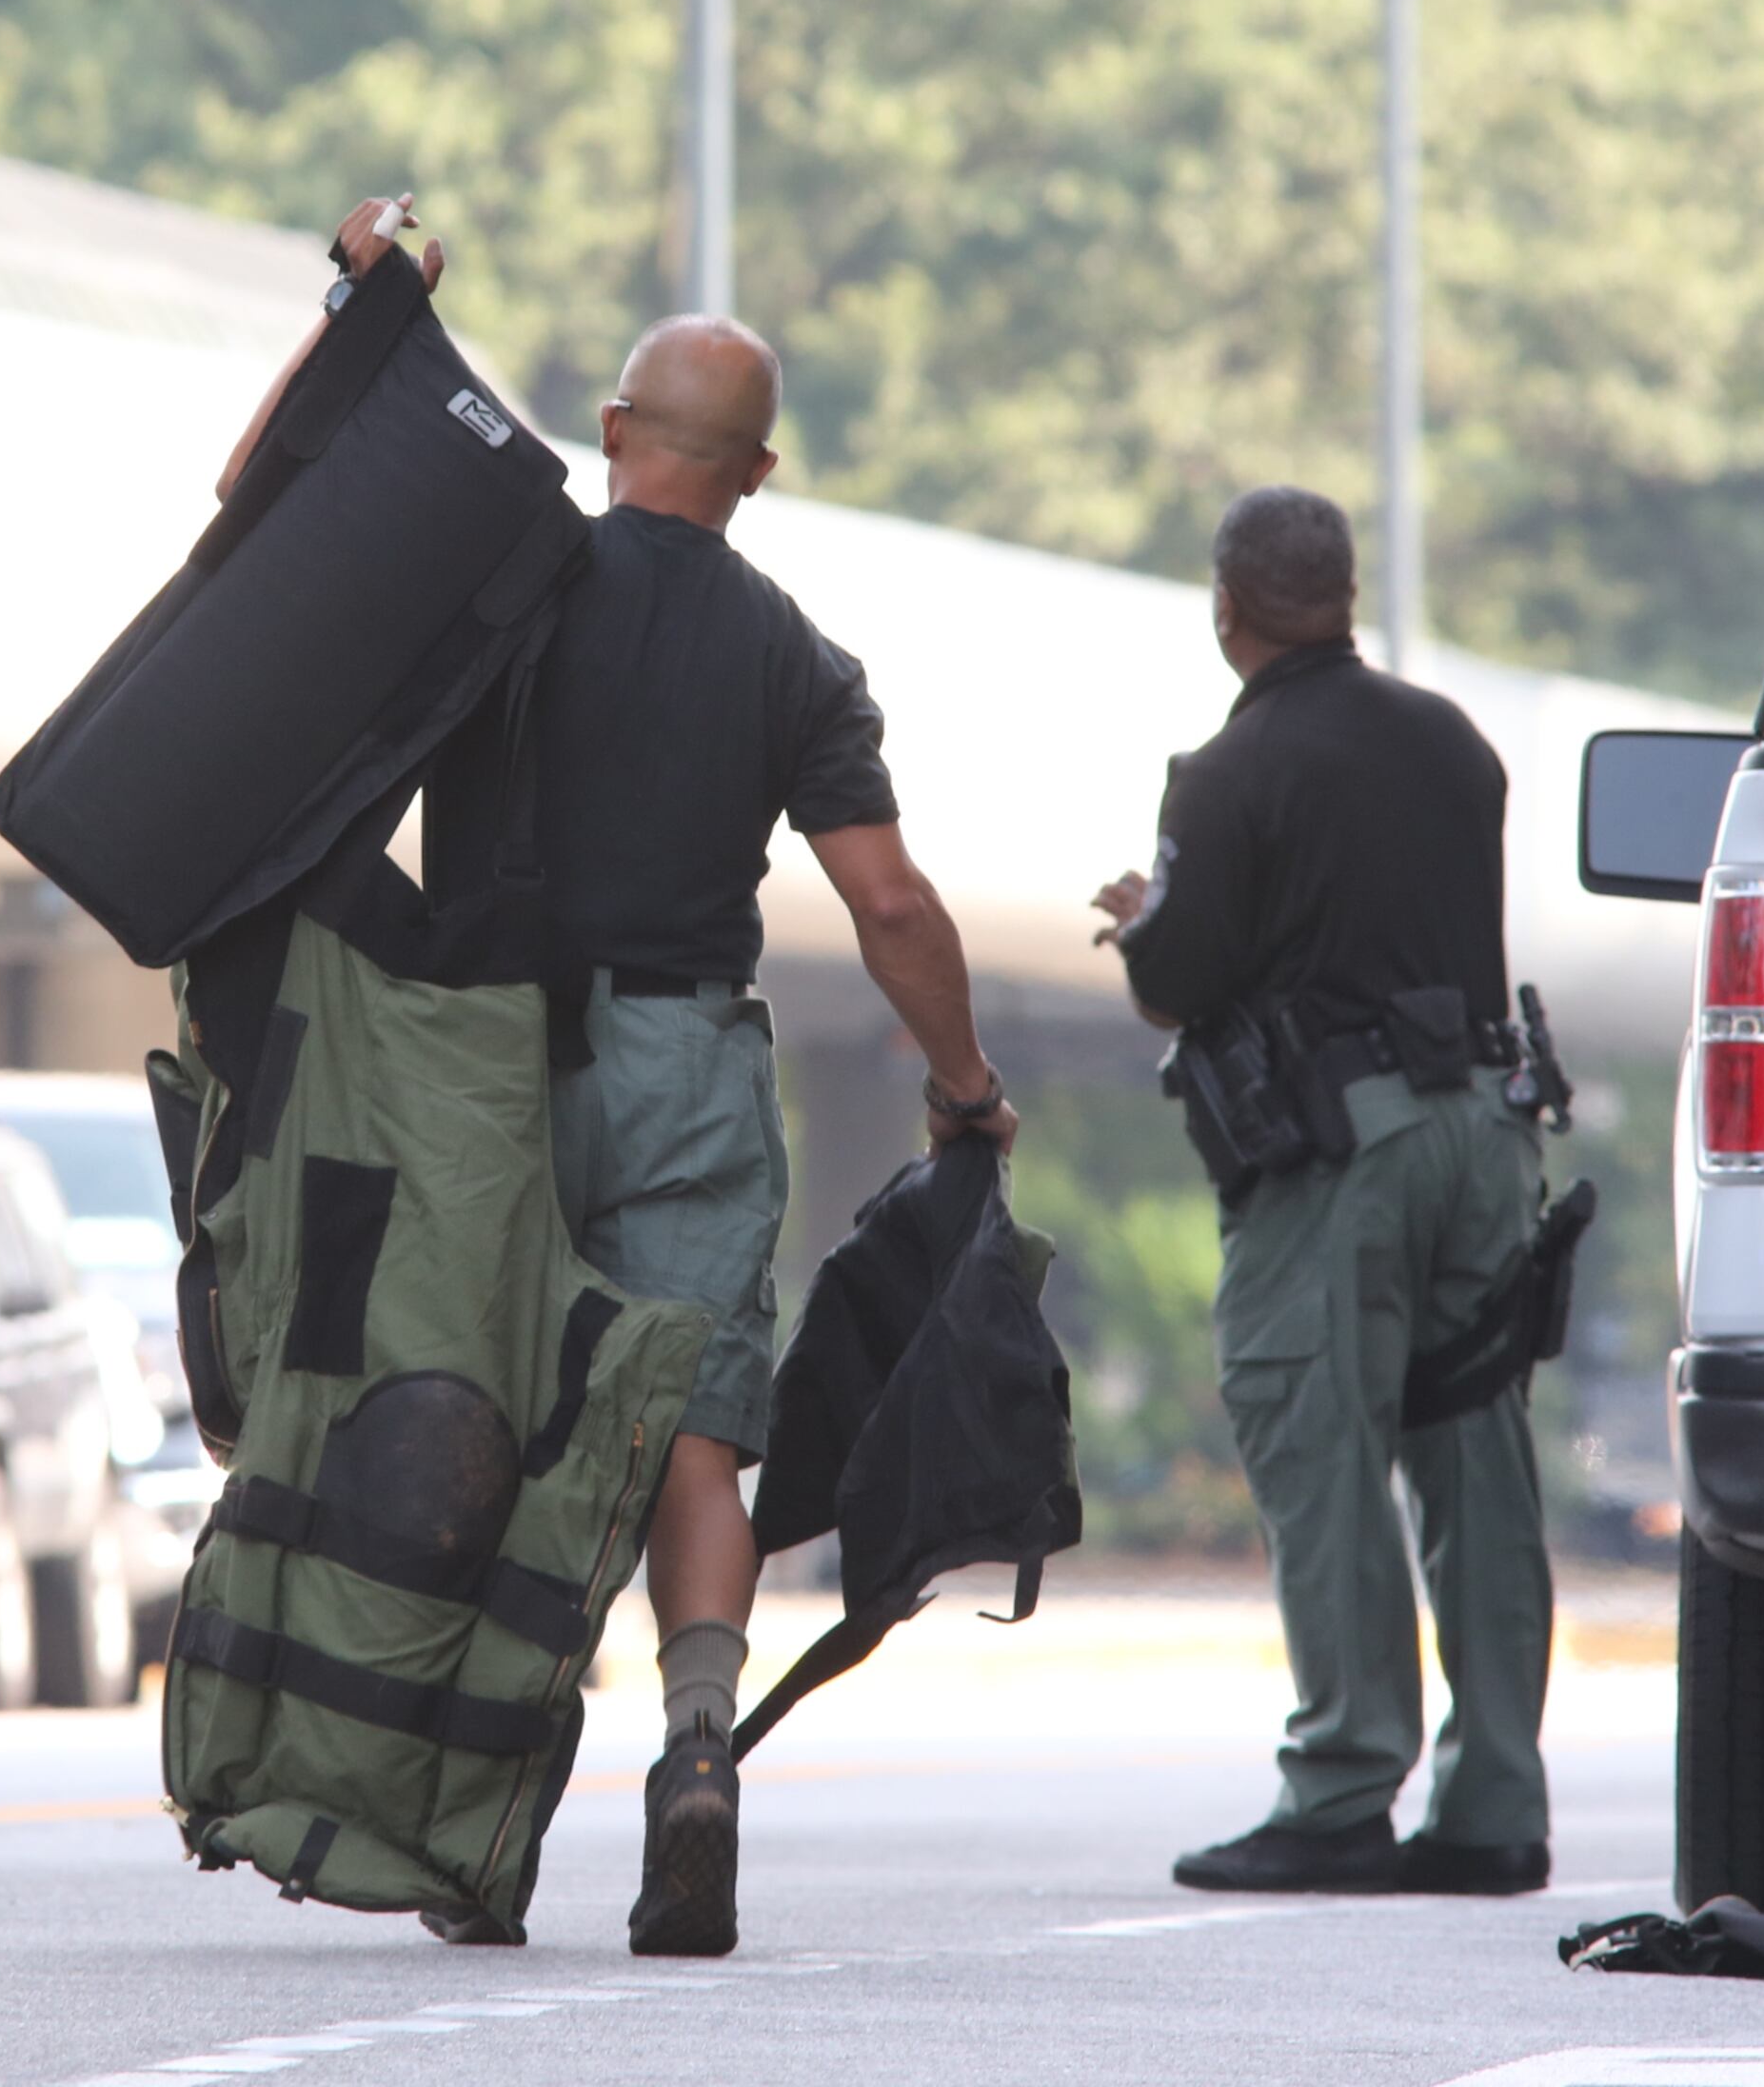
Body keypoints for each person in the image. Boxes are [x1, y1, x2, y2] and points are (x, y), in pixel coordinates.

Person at [233, 196, 1019, 1958]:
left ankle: (452, 1821)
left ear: (611, 436)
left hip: (484, 1060)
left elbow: (263, 513)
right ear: (758, 471)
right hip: (685, 1061)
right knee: (688, 1432)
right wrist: (962, 1083)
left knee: (473, 1413)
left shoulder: (505, 586)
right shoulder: (800, 658)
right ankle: (697, 1751)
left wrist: (361, 317)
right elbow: (886, 901)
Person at [1091, 485, 1553, 1898]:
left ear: (1228, 612)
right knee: (1477, 1455)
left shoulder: (1228, 776)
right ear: (1345, 594)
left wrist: (1143, 923)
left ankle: (1344, 1786)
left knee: (1326, 1445)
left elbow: (1183, 984)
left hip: (1343, 1153)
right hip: (1488, 1130)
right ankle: (1492, 1811)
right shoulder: (1455, 746)